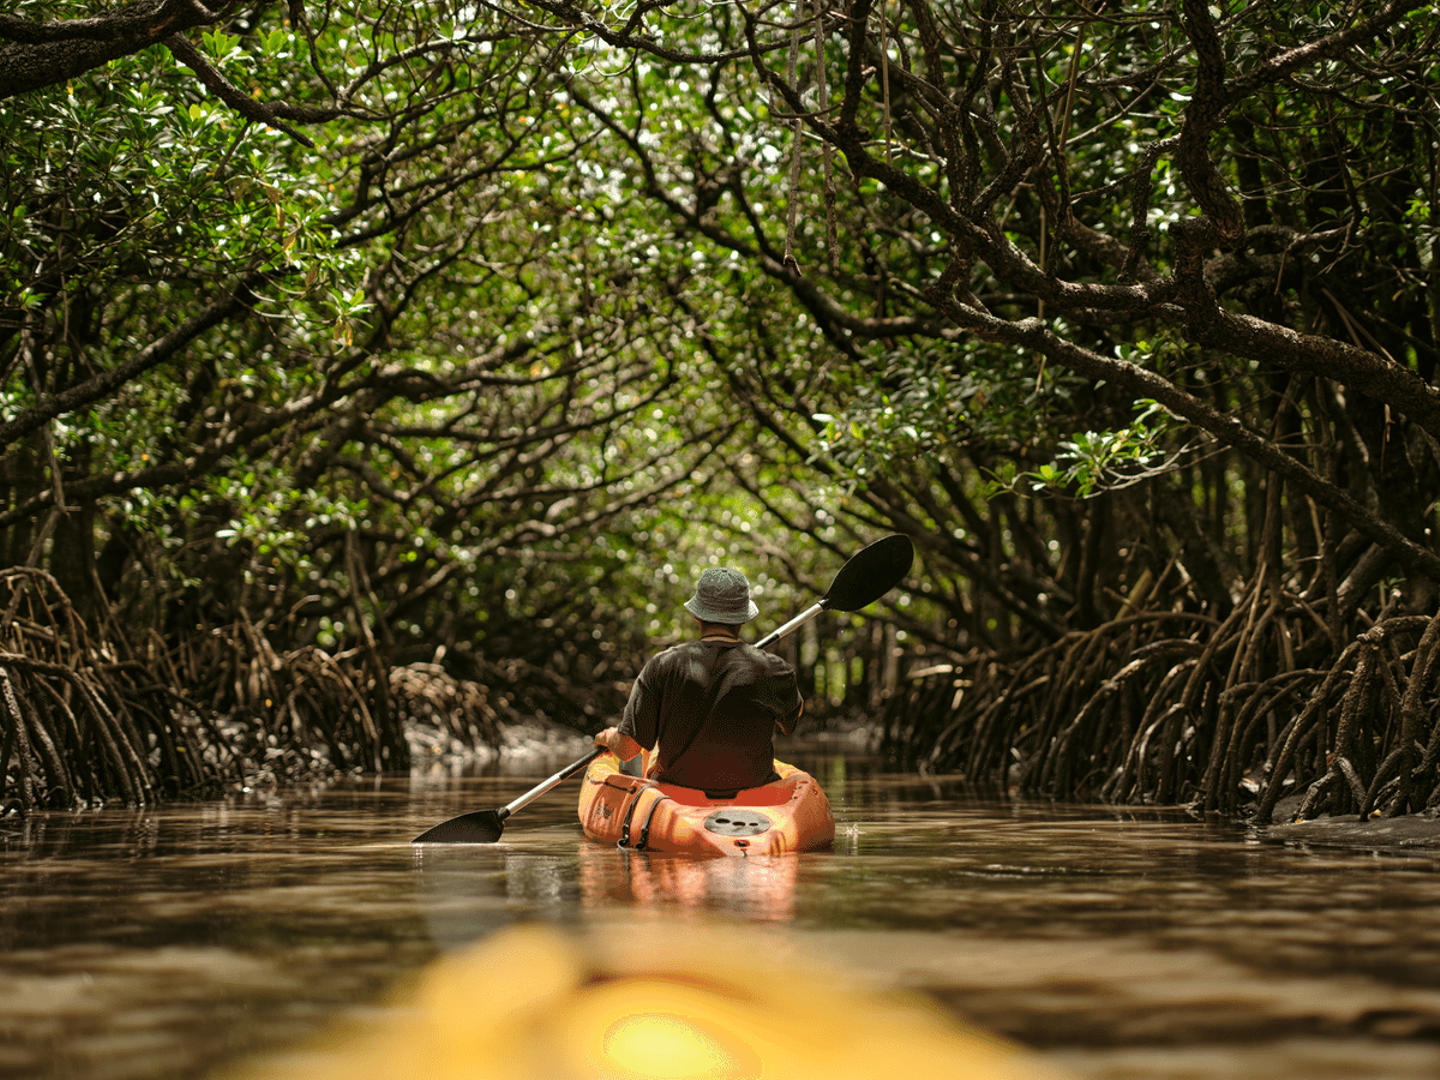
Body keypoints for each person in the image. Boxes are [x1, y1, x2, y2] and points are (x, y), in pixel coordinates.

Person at [593, 566, 804, 794]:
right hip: (754, 792)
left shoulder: (662, 665)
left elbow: (628, 750)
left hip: (676, 793)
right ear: (744, 619)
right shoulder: (774, 669)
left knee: (645, 752)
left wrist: (609, 737)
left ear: (697, 615)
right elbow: (794, 715)